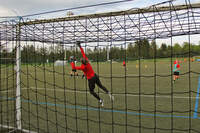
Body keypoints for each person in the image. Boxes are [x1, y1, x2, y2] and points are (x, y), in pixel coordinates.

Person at [70, 41, 114, 106]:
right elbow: (83, 53)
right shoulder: (87, 61)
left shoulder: (82, 67)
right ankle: (109, 93)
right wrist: (80, 46)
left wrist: (72, 61)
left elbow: (73, 68)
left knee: (91, 91)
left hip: (91, 79)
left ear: (82, 62)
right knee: (101, 86)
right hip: (95, 76)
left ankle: (100, 100)